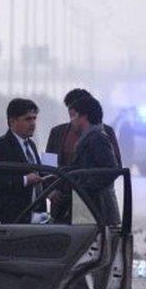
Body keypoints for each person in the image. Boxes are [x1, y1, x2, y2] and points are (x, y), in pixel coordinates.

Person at [0, 98, 46, 224]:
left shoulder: (31, 146)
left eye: (34, 118)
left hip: (38, 216)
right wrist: (25, 180)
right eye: (28, 119)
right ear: (12, 121)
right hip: (14, 219)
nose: (33, 123)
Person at [68, 95, 121, 224]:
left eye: (74, 115)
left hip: (98, 207)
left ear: (84, 116)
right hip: (90, 207)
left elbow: (111, 170)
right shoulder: (89, 137)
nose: (71, 120)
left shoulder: (97, 138)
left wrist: (86, 187)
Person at [46, 88, 121, 167]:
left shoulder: (105, 132)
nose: (72, 115)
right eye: (70, 109)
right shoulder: (57, 132)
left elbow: (115, 167)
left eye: (75, 110)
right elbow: (47, 165)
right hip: (59, 178)